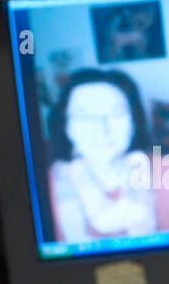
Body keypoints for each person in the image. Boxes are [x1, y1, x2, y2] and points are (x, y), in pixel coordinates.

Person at [45, 68, 156, 243]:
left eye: (115, 114)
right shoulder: (40, 190)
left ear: (134, 121)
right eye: (84, 117)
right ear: (66, 126)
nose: (101, 129)